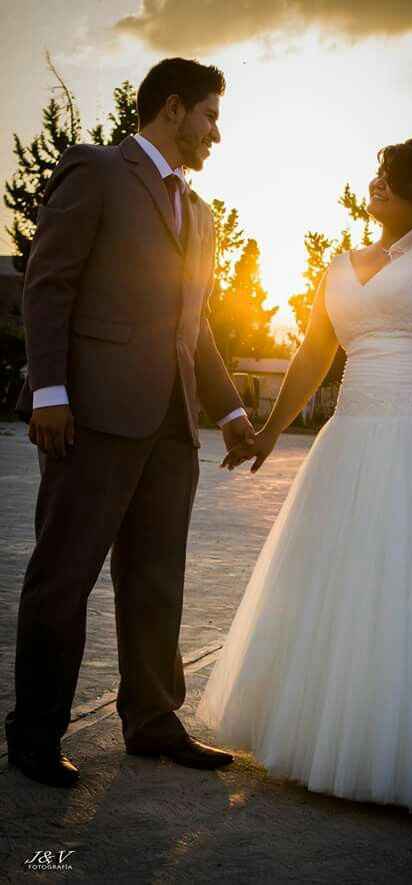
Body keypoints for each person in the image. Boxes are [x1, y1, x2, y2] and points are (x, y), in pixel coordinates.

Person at [197, 139, 412, 830]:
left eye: (391, 180)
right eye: (376, 175)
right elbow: (313, 351)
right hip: (353, 438)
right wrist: (270, 431)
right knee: (349, 587)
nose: (375, 185)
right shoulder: (340, 263)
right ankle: (344, 739)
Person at [6, 57, 255, 788]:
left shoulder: (202, 215)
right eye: (210, 115)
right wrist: (49, 389)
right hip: (90, 416)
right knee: (65, 575)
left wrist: (232, 409)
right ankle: (35, 732)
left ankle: (151, 720)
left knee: (155, 579)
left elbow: (194, 324)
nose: (216, 131)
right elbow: (47, 284)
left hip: (171, 426)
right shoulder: (97, 171)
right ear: (173, 109)